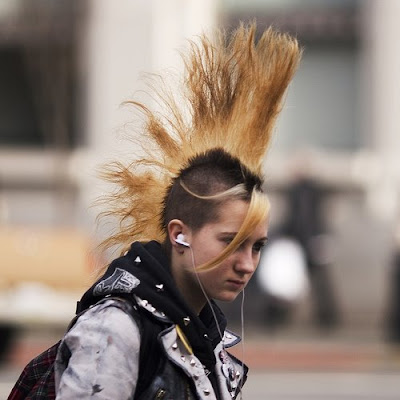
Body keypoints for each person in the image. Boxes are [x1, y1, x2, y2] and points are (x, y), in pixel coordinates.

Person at [54, 23, 301, 399]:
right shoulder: (116, 330)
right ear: (178, 233)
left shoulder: (204, 334)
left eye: (257, 246)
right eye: (230, 242)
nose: (248, 264)